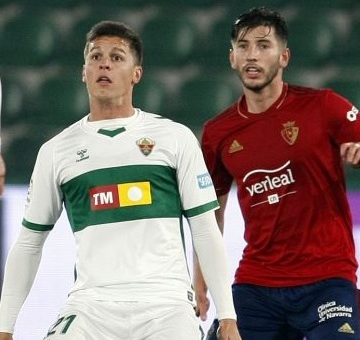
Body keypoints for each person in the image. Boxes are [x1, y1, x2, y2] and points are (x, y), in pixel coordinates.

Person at [0, 20, 241, 340]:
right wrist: (5, 327)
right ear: (83, 71)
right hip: (91, 306)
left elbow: (205, 229)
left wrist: (227, 316)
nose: (104, 63)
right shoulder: (56, 152)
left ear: (136, 74)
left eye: (116, 57)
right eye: (95, 56)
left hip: (166, 305)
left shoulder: (174, 139)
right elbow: (29, 243)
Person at [193, 7, 360, 340]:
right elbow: (210, 214)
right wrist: (201, 282)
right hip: (256, 283)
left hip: (326, 280)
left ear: (284, 57)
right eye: (243, 46)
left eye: (263, 46)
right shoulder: (218, 132)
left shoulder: (323, 106)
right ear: (232, 58)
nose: (252, 55)